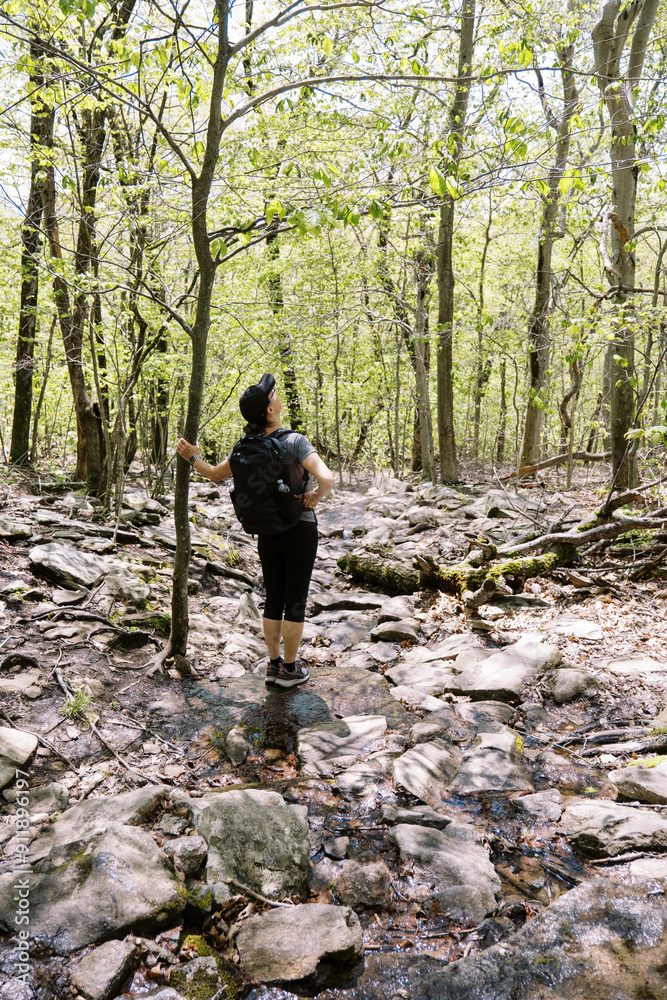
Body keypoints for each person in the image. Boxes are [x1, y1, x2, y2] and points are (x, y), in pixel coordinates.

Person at [176, 374, 335, 688]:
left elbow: (213, 475)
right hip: (300, 531)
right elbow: (327, 479)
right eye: (273, 394)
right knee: (296, 602)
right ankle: (290, 670)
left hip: (266, 533)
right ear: (270, 411)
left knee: (274, 598)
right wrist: (314, 496)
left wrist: (192, 456)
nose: (276, 395)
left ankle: (274, 665)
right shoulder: (294, 441)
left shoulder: (243, 446)